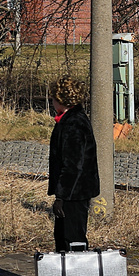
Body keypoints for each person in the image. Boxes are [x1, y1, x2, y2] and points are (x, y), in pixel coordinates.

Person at [48, 76, 99, 251]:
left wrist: (61, 197)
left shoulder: (73, 123)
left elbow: (72, 164)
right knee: (64, 239)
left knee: (73, 239)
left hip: (74, 193)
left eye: (53, 99)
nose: (52, 103)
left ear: (60, 100)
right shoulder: (73, 119)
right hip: (75, 190)